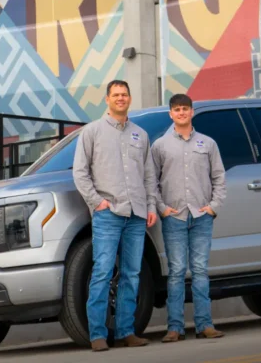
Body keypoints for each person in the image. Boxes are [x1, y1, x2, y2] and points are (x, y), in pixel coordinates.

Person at [72, 80, 159, 352]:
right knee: (102, 273)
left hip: (136, 214)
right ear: (107, 99)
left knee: (132, 274)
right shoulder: (92, 132)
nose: (121, 98)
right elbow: (80, 173)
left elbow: (148, 175)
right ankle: (97, 334)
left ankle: (126, 331)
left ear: (129, 99)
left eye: (124, 94)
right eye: (116, 95)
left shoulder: (140, 135)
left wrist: (151, 207)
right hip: (108, 214)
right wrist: (97, 203)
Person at [151, 93, 226, 343]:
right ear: (171, 114)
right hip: (174, 217)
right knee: (175, 272)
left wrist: (213, 207)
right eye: (177, 109)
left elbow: (219, 178)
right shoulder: (160, 146)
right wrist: (162, 208)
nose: (181, 113)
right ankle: (175, 328)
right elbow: (151, 182)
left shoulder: (208, 143)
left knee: (201, 271)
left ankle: (205, 325)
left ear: (192, 112)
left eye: (185, 109)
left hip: (202, 216)